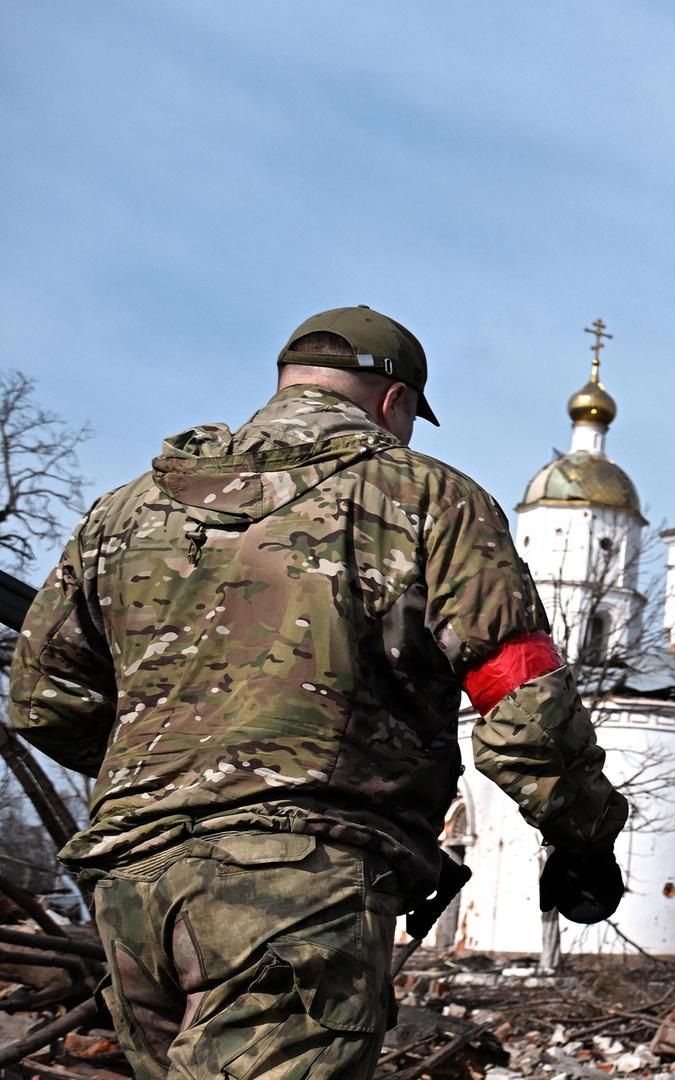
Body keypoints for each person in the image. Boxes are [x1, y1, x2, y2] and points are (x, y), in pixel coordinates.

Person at [8, 305, 631, 1079]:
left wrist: (168, 773)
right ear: (394, 403)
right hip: (298, 887)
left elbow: (40, 697)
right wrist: (583, 838)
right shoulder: (429, 499)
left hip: (133, 893)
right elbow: (520, 698)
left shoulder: (125, 510)